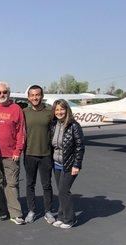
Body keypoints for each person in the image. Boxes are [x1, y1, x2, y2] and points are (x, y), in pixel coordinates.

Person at [0, 82, 26, 225]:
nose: (2, 95)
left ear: (9, 93)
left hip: (10, 154)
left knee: (12, 184)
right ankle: (0, 211)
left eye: (4, 92)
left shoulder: (16, 109)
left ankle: (15, 213)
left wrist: (18, 150)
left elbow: (21, 132)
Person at [49, 99, 85, 228]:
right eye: (57, 109)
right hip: (56, 163)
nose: (59, 112)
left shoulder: (74, 125)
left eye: (62, 109)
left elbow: (80, 147)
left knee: (64, 191)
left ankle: (70, 219)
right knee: (61, 191)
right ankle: (61, 216)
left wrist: (77, 165)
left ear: (67, 110)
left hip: (69, 164)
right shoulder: (54, 124)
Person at [23, 85, 54, 224]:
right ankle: (32, 210)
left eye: (37, 95)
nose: (35, 97)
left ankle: (48, 211)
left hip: (46, 154)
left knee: (47, 185)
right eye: (32, 95)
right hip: (29, 154)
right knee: (30, 184)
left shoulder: (50, 111)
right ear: (28, 97)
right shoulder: (24, 112)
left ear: (42, 96)